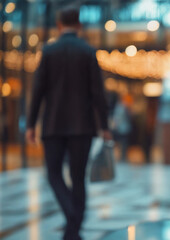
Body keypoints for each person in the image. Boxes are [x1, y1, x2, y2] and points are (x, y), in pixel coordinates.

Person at [26, 6, 111, 240]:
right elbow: (98, 94)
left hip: (52, 125)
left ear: (59, 25)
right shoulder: (87, 52)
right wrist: (105, 126)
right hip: (82, 126)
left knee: (53, 174)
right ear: (80, 25)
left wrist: (31, 124)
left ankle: (71, 226)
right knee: (78, 177)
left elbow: (38, 91)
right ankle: (74, 224)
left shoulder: (49, 51)